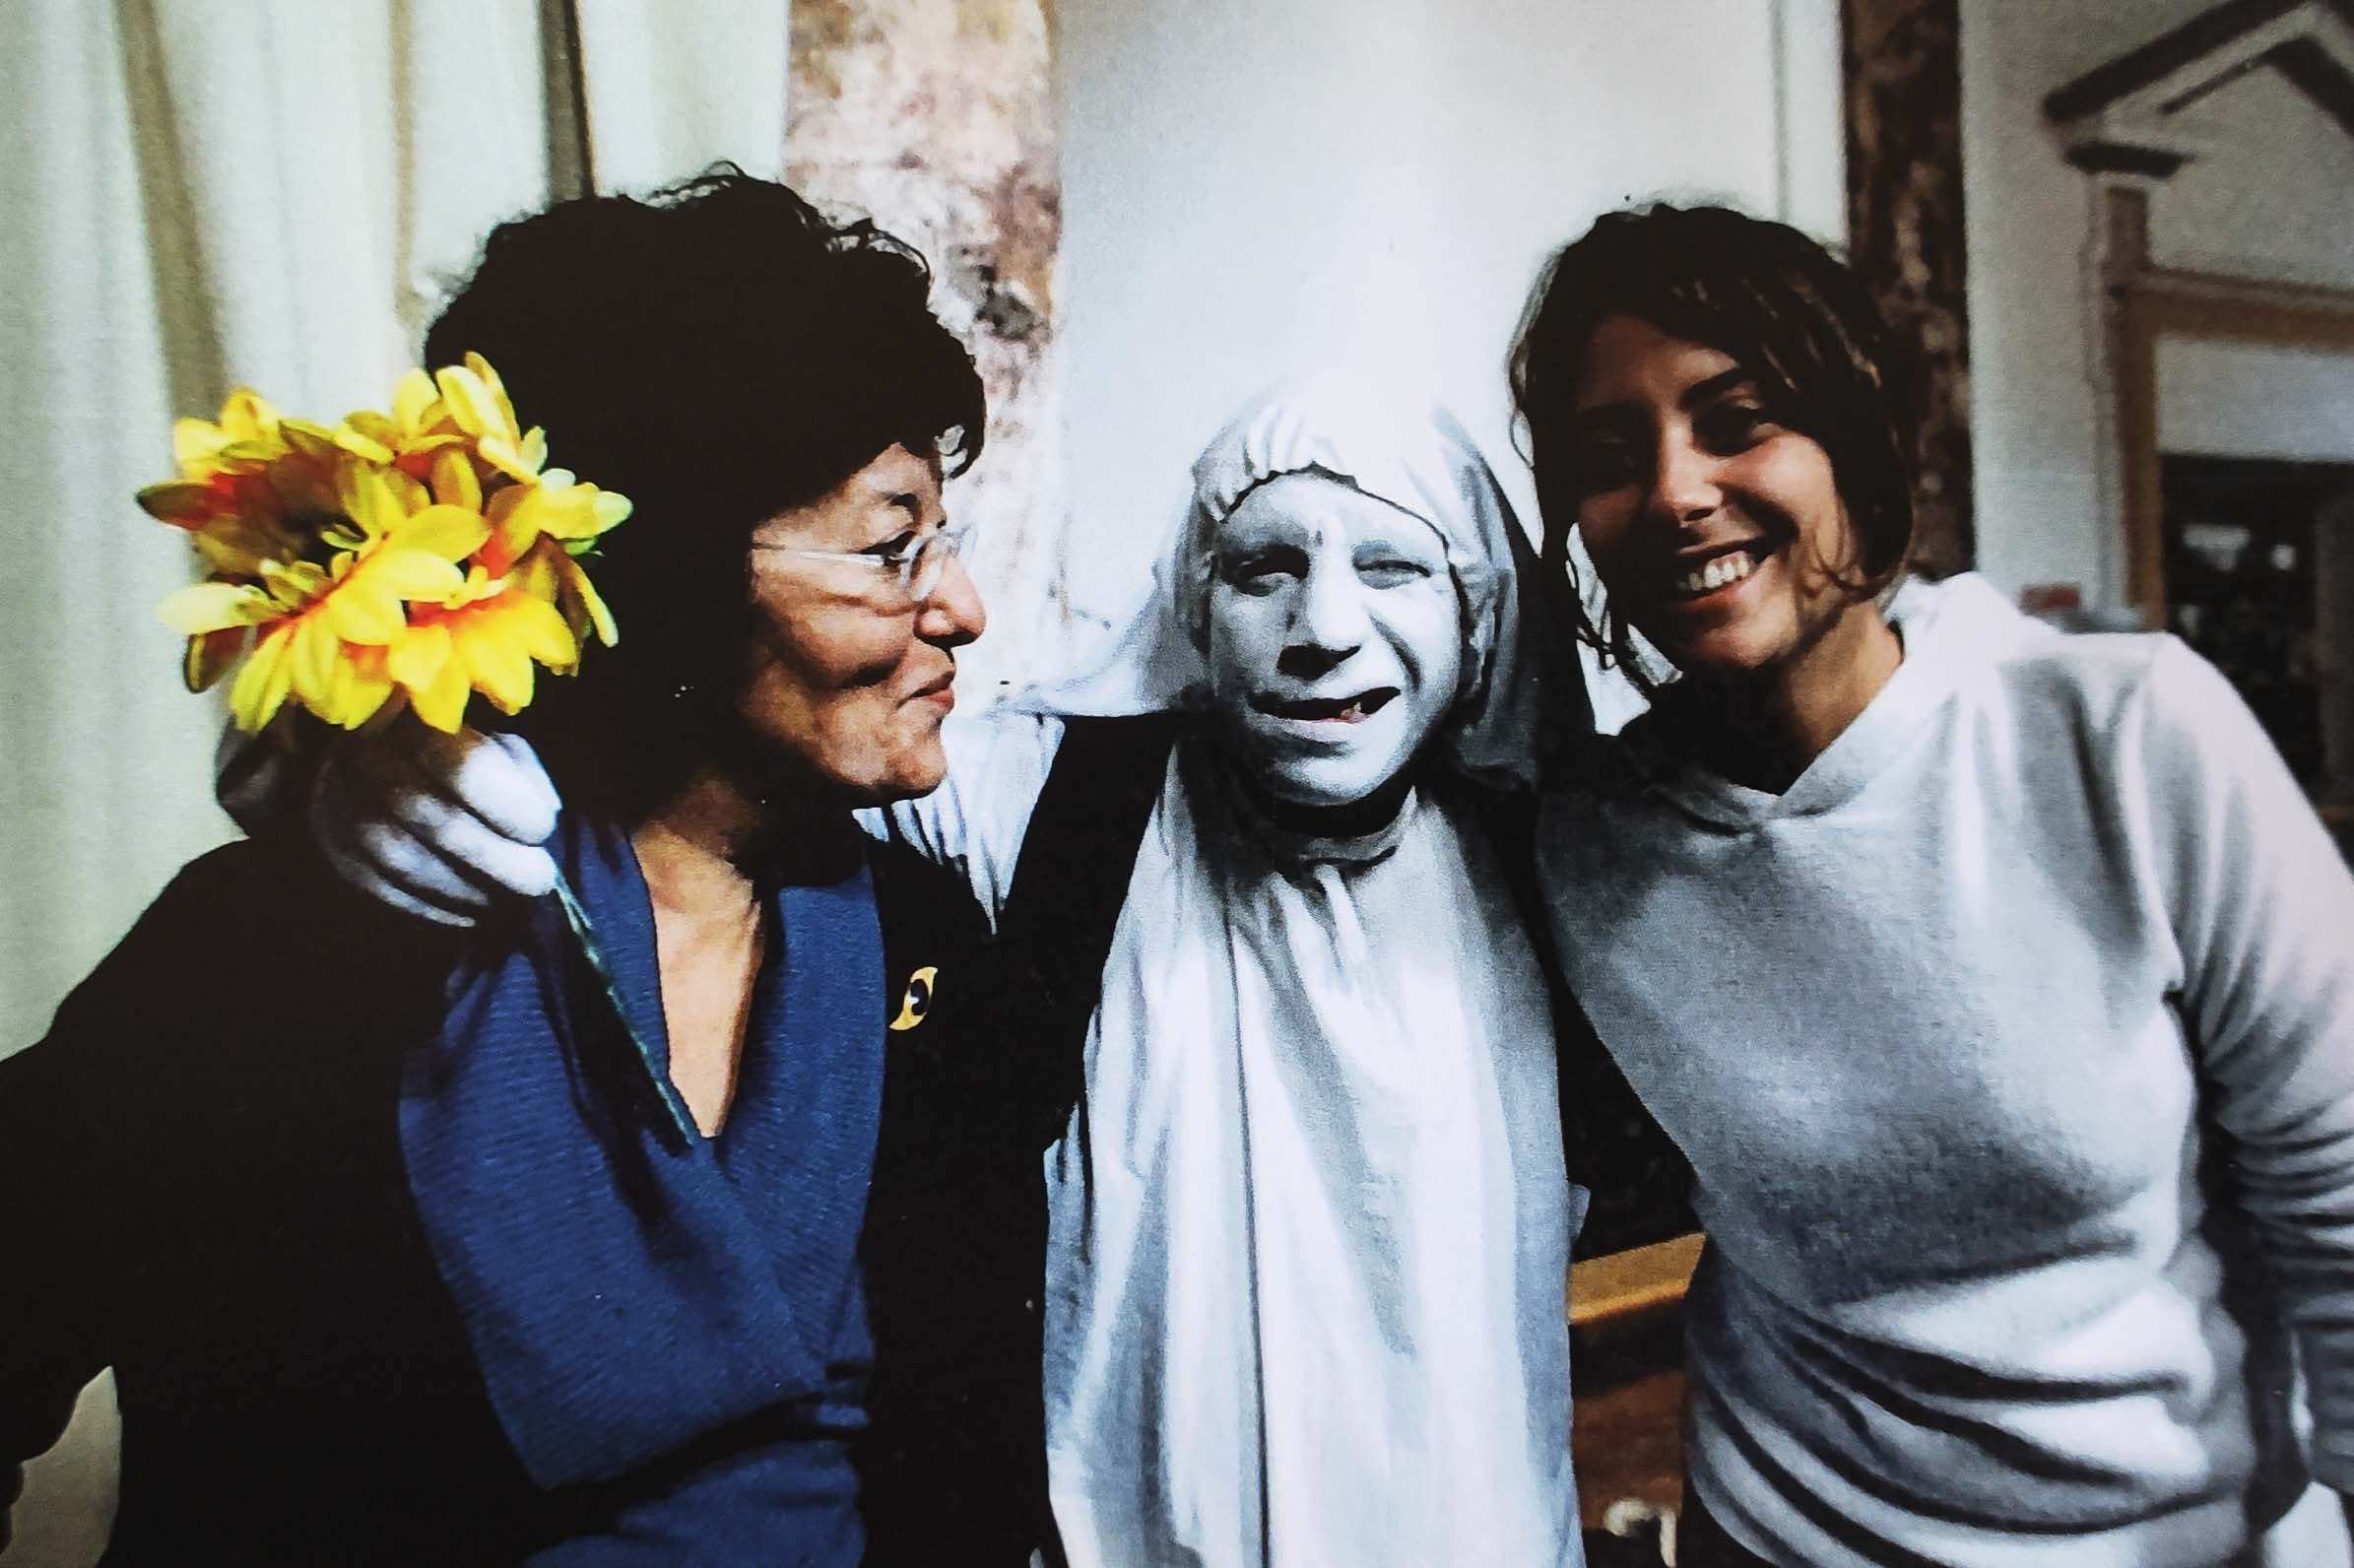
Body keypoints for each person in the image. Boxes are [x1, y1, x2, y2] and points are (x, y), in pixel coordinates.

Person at [274, 369, 1669, 1566]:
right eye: (1262, 570)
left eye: (1394, 569)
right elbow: (707, 775)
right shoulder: (1056, 808)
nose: (1322, 630)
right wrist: (349, 744)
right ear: (1194, 603)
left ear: (1479, 613)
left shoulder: (1568, 866)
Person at [0, 167, 1034, 1566]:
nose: (961, 608)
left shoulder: (926, 949)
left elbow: (963, 1467)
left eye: (944, 541)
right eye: (891, 548)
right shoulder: (292, 950)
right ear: (665, 575)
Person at [1511, 202, 2354, 1566]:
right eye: (1609, 457)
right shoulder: (1586, 842)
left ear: (1854, 437)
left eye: (1737, 422)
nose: (1672, 491)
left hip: (2171, 1540)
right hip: (1773, 1536)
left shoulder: (2126, 734)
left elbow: (2342, 1192)